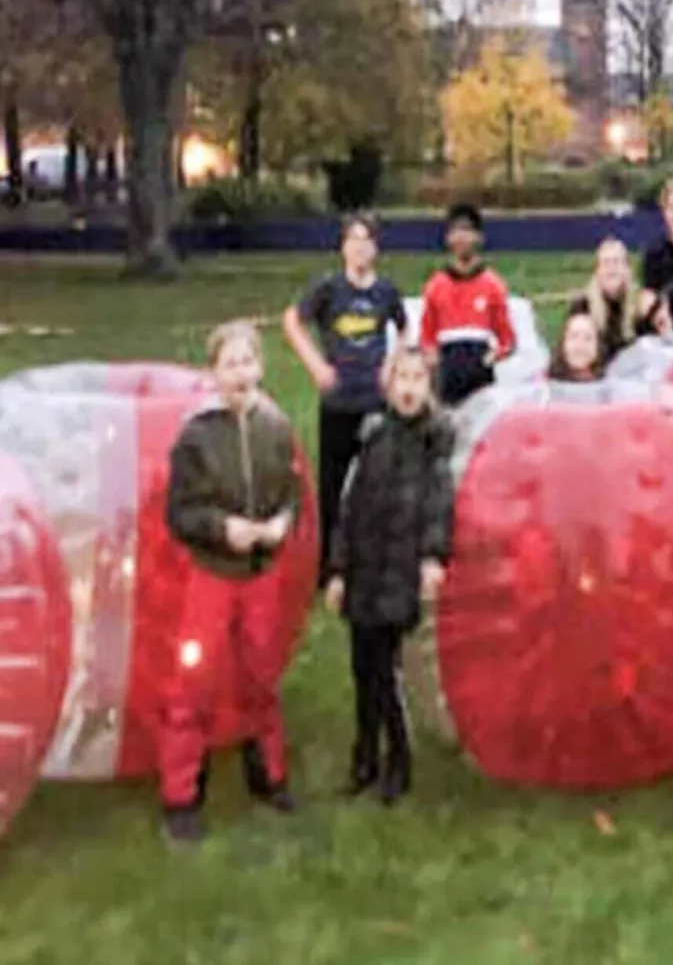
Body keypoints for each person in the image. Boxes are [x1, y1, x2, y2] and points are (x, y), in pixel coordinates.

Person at [160, 320, 301, 843]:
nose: (241, 373)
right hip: (213, 578)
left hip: (261, 577)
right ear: (213, 374)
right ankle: (180, 795)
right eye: (230, 364)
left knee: (261, 674)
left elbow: (292, 491)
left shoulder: (275, 427)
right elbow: (179, 512)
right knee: (195, 683)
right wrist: (223, 529)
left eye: (248, 362)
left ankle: (268, 773)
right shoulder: (196, 437)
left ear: (260, 367)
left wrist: (283, 522)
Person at [325, 346, 454, 805]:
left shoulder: (436, 441)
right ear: (388, 384)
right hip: (364, 571)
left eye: (418, 379)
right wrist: (338, 570)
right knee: (362, 671)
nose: (408, 388)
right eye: (401, 378)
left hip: (400, 572)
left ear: (428, 387)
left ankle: (399, 759)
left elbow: (440, 506)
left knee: (386, 673)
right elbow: (349, 506)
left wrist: (432, 559)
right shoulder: (373, 436)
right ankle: (364, 757)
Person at [282, 212, 407, 588]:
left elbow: (405, 328)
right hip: (338, 402)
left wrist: (392, 366)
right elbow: (292, 320)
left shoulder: (385, 292)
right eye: (352, 240)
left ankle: (373, 560)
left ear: (376, 248)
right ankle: (329, 568)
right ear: (343, 248)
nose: (359, 247)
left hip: (374, 401)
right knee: (333, 488)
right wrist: (316, 365)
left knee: (377, 483)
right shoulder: (329, 288)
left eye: (366, 240)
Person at [419, 203, 515, 405]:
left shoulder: (493, 285)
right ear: (448, 239)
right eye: (456, 231)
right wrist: (433, 361)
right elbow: (427, 336)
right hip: (447, 381)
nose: (462, 237)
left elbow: (507, 340)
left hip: (481, 380)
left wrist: (488, 359)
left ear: (479, 237)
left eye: (467, 230)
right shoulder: (435, 286)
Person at [572, 237, 636, 361]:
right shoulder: (582, 306)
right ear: (597, 271)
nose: (611, 269)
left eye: (616, 262)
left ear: (627, 269)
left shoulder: (640, 306)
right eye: (606, 263)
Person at [549, 308, 604, 382]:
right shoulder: (543, 384)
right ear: (562, 343)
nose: (580, 344)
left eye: (588, 338)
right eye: (574, 336)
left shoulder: (608, 386)